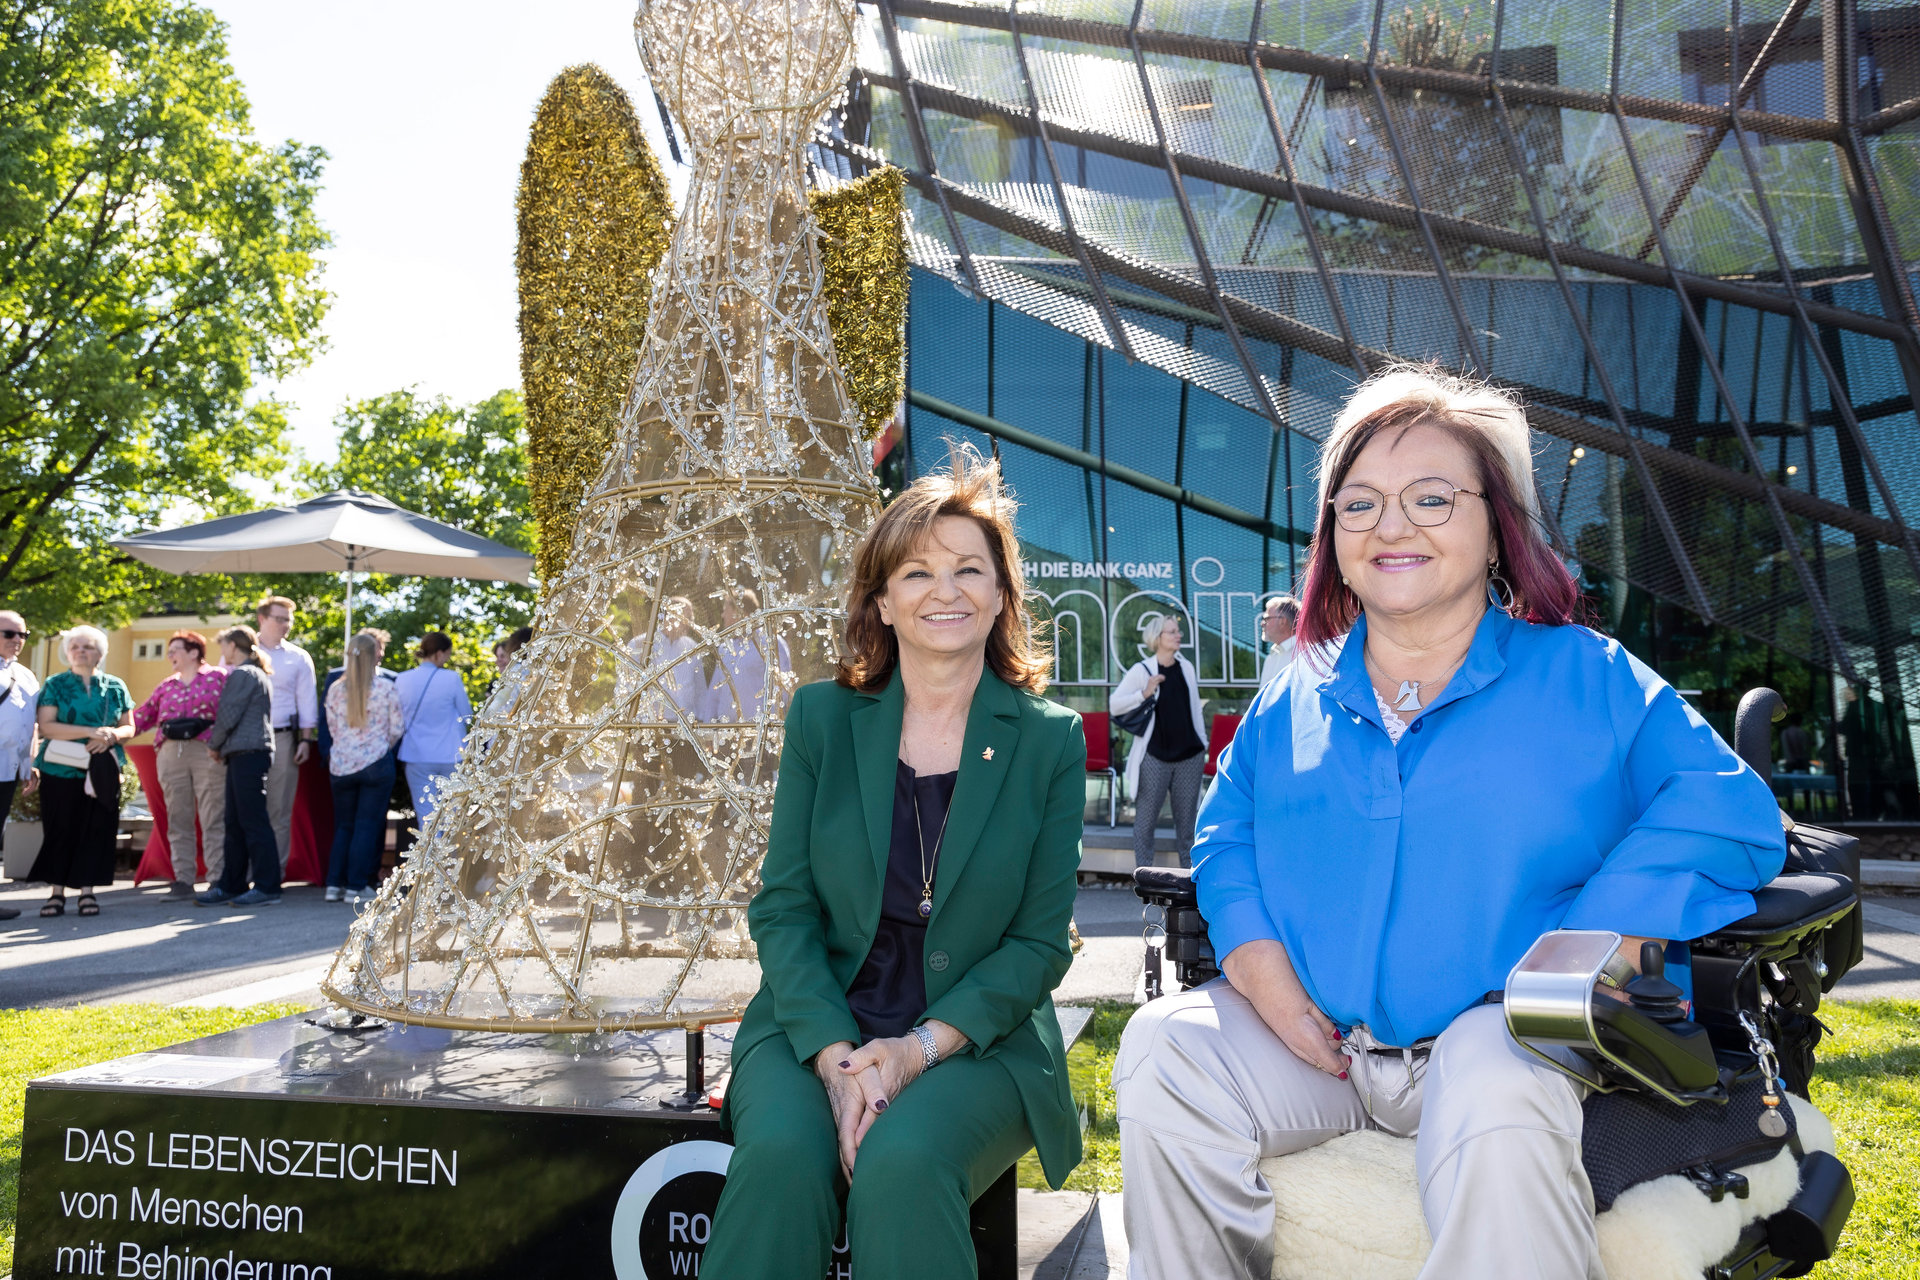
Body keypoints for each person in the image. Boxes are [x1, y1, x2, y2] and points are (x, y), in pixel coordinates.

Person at [1112, 366, 1787, 1280]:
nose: (1393, 526)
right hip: (1322, 1049)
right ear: (1333, 536)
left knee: (1491, 1061)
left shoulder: (1588, 675)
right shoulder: (1295, 689)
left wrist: (1582, 941)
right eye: (1361, 503)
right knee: (1165, 1046)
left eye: (1431, 497)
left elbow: (1730, 810)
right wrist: (1256, 966)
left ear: (1495, 522)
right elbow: (1228, 834)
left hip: (1502, 1043)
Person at [700, 451, 1085, 1279]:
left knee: (903, 1166)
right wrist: (837, 1057)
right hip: (813, 1024)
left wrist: (912, 1051)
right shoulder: (822, 718)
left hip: (977, 1036)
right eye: (917, 572)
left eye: (968, 571)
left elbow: (1039, 944)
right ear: (881, 599)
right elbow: (785, 908)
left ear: (1001, 595)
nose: (944, 591)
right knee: (778, 1164)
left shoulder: (1050, 738)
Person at [30, 625, 133, 917]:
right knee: (59, 828)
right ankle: (56, 893)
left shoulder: (115, 685)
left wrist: (111, 737)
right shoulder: (55, 684)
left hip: (101, 769)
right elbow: (47, 726)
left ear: (99, 653)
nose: (80, 651)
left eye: (87, 646)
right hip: (60, 769)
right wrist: (92, 731)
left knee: (96, 828)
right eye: (74, 646)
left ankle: (88, 892)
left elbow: (129, 726)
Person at [130, 630, 228, 899]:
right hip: (171, 753)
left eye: (175, 649)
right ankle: (183, 880)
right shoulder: (166, 685)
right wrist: (112, 731)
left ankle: (218, 878)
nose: (170, 655)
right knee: (178, 816)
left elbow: (231, 714)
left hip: (207, 751)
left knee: (213, 815)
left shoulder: (219, 678)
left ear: (194, 652)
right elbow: (142, 717)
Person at [1109, 614, 1206, 869]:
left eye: (1178, 631)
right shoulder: (1143, 671)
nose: (1178, 635)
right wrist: (1144, 692)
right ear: (1157, 638)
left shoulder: (1186, 668)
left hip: (1189, 756)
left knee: (1187, 825)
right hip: (1154, 757)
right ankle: (1144, 876)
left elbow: (1195, 709)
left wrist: (1203, 744)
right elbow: (1114, 704)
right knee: (1145, 821)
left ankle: (1190, 880)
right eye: (1172, 632)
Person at [199, 627, 280, 907]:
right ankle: (231, 884)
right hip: (244, 753)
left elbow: (228, 714)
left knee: (252, 822)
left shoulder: (244, 674)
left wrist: (213, 744)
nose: (222, 652)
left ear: (234, 646)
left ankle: (267, 886)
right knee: (235, 822)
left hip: (248, 754)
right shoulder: (254, 673)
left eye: (223, 646)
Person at [324, 632, 404, 905]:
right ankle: (356, 885)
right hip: (375, 763)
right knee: (367, 826)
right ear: (375, 656)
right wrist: (380, 747)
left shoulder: (335, 689)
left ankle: (334, 883)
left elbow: (333, 728)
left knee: (343, 826)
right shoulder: (384, 688)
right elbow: (396, 729)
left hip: (341, 764)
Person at [254, 595, 317, 872]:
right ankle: (242, 874)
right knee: (246, 809)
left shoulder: (298, 657)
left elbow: (307, 701)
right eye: (280, 619)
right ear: (262, 619)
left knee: (279, 810)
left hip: (283, 738)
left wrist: (305, 739)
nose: (285, 625)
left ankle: (273, 874)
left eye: (289, 620)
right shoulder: (243, 649)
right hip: (245, 740)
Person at [394, 632, 472, 836]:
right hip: (450, 755)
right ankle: (449, 865)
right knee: (451, 818)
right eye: (447, 654)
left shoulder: (401, 679)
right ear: (439, 653)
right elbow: (467, 716)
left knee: (426, 818)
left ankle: (428, 865)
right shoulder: (451, 678)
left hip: (416, 755)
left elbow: (396, 719)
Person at [0, 610, 41, 920]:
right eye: (9, 634)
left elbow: (31, 723)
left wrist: (30, 763)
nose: (18, 640)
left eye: (23, 635)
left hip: (9, 767)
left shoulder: (25, 675)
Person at [703, 589, 790, 722]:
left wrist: (769, 727)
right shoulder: (725, 647)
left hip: (757, 731)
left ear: (739, 612)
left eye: (726, 610)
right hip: (725, 732)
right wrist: (708, 726)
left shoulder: (771, 643)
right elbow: (715, 691)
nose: (722, 615)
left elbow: (782, 690)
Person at [317, 628, 393, 760]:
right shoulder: (336, 679)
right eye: (375, 648)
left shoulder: (391, 680)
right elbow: (326, 720)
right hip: (342, 761)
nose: (379, 653)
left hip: (380, 760)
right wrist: (328, 753)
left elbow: (396, 726)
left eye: (382, 648)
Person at [1258, 594, 1299, 687]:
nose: (1262, 623)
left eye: (1266, 618)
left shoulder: (1304, 653)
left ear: (1282, 621)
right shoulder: (1272, 656)